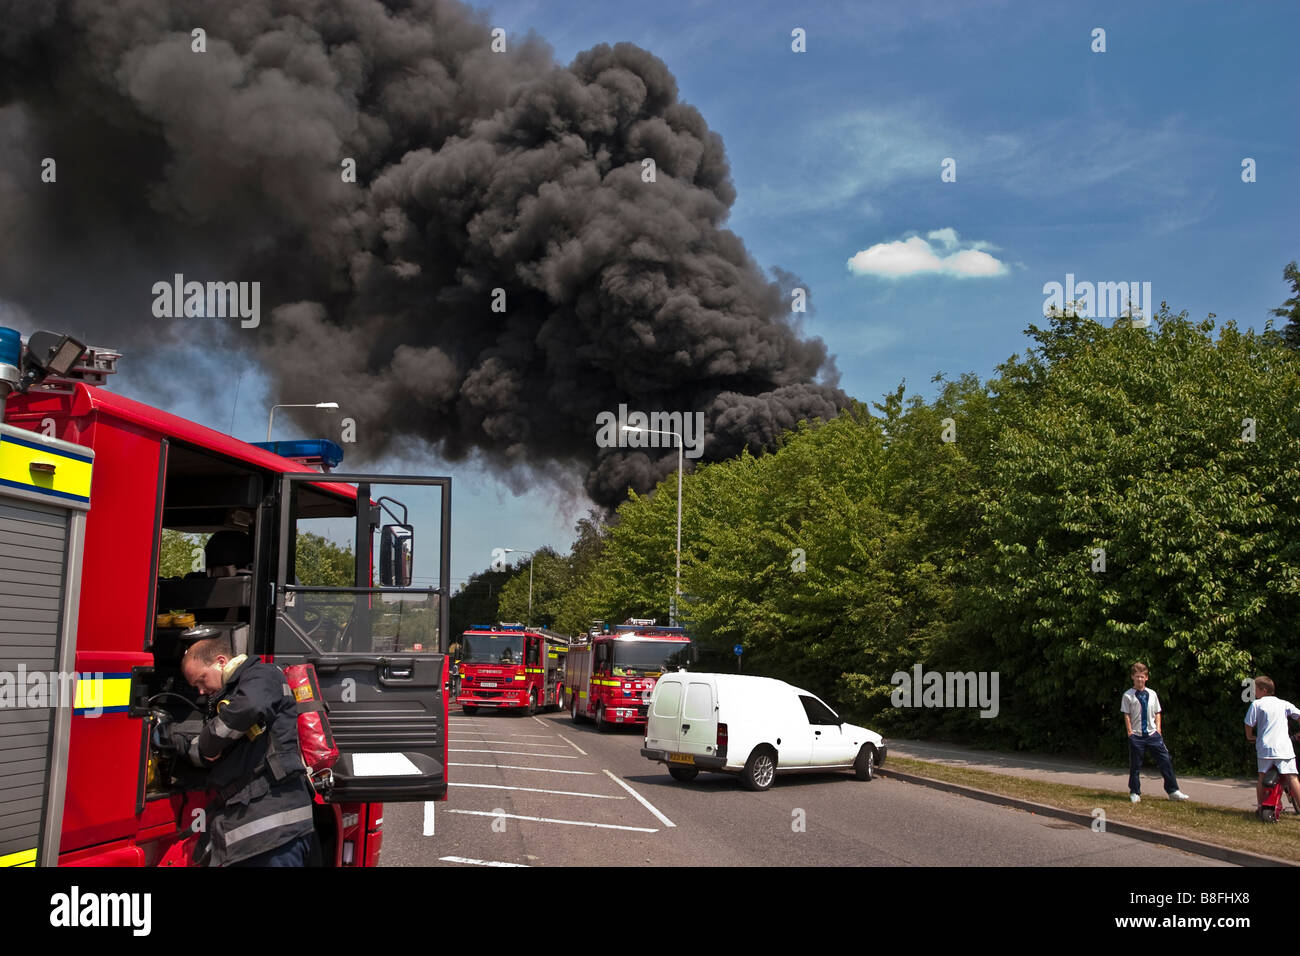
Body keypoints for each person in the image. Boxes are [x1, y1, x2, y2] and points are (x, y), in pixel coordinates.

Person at [170, 636, 316, 866]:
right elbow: (209, 754)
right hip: (254, 838)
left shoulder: (263, 675)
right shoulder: (235, 693)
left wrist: (209, 741)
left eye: (201, 680)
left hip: (276, 834)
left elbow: (248, 709)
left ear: (220, 661)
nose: (200, 691)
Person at [1120, 661, 1191, 802]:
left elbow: (1158, 712)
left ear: (1146, 678)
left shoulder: (1152, 694)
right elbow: (1126, 714)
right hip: (1137, 735)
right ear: (1132, 677)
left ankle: (1173, 791)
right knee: (1135, 765)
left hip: (1153, 735)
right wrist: (1130, 733)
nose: (1140, 679)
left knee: (1165, 761)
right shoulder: (1128, 695)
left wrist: (1158, 729)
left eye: (1142, 676)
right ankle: (1135, 792)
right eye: (1137, 676)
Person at [1244, 676, 1300, 813]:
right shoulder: (1284, 703)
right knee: (1292, 777)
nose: (1253, 692)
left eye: (1255, 689)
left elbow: (1248, 723)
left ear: (1263, 690)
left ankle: (1260, 807)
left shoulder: (1257, 704)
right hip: (1284, 748)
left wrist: (1250, 736)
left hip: (1265, 748)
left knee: (1262, 777)